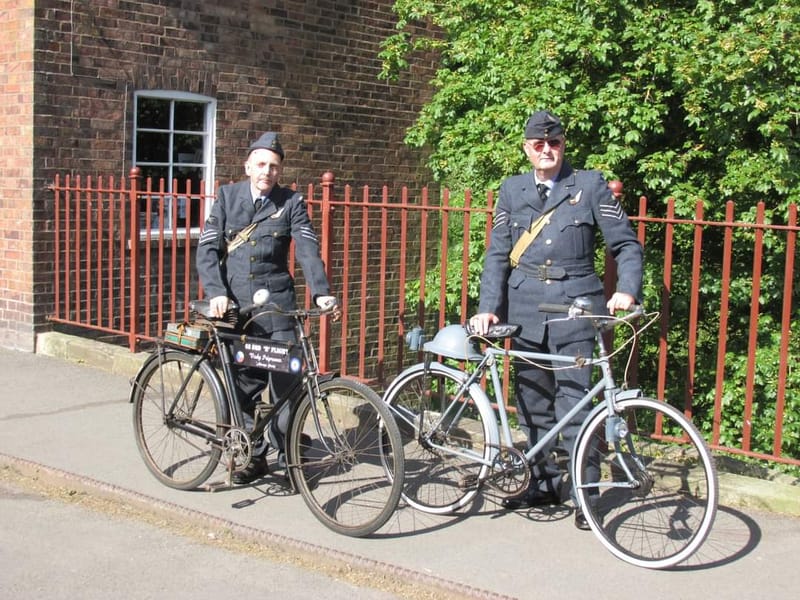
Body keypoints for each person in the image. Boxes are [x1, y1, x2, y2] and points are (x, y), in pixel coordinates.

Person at [469, 110, 643, 529]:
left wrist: (626, 289)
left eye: (554, 143)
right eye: (538, 144)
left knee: (576, 404)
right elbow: (497, 254)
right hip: (525, 309)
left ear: (563, 145)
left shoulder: (589, 185)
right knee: (532, 402)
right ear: (526, 148)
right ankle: (543, 482)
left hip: (575, 310)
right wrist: (488, 305)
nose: (546, 150)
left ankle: (586, 494)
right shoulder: (511, 190)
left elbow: (626, 245)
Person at [196, 131, 339, 485]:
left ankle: (290, 460)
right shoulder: (227, 197)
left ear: (280, 171)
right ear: (248, 166)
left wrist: (321, 293)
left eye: (274, 166)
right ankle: (253, 456)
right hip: (237, 311)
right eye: (261, 164)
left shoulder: (291, 202)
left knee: (287, 388)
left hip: (277, 310)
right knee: (242, 388)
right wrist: (216, 292)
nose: (267, 172)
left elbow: (307, 248)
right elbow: (208, 249)